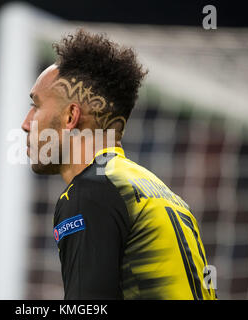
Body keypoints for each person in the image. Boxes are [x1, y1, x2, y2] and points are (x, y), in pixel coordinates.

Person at [21, 29, 216, 300]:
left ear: (70, 117)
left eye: (37, 106)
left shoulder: (89, 193)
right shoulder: (162, 193)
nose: (26, 123)